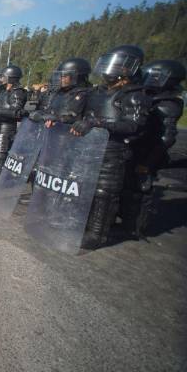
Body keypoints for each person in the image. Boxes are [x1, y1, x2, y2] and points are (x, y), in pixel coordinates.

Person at [70, 45, 151, 249]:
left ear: (128, 68)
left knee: (103, 193)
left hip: (113, 150)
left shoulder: (134, 95)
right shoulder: (97, 92)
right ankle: (81, 224)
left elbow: (134, 125)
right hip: (90, 147)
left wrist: (99, 123)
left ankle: (96, 234)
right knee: (83, 186)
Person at [122, 59, 184, 237]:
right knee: (126, 186)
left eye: (154, 76)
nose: (149, 78)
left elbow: (166, 138)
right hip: (135, 148)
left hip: (148, 153)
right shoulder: (148, 96)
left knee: (140, 190)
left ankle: (134, 228)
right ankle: (124, 220)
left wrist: (148, 163)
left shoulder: (168, 104)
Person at [0, 65, 27, 187]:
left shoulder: (18, 92)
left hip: (7, 126)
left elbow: (16, 112)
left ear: (11, 78)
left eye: (4, 77)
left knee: (0, 153)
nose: (1, 79)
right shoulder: (4, 91)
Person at [29, 58, 91, 127]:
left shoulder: (89, 96)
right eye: (60, 76)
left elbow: (87, 119)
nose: (61, 79)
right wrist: (35, 94)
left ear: (78, 77)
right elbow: (30, 108)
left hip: (69, 133)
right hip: (49, 131)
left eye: (65, 76)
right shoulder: (55, 92)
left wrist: (57, 118)